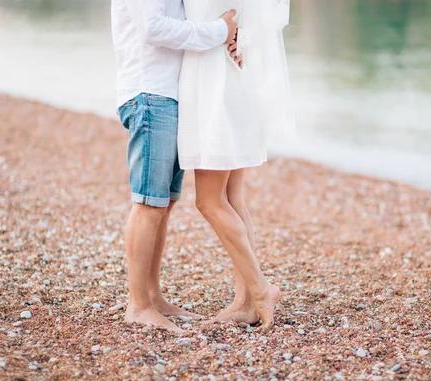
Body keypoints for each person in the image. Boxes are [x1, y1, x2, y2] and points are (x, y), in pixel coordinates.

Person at [111, 0, 240, 333]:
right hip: (150, 94)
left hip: (170, 96)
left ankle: (153, 296)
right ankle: (138, 305)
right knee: (148, 204)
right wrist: (218, 30)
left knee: (164, 204)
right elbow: (153, 28)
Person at [178, 0, 294, 330]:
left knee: (209, 201)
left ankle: (260, 289)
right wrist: (243, 37)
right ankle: (245, 303)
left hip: (215, 83)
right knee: (231, 198)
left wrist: (238, 35)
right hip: (231, 79)